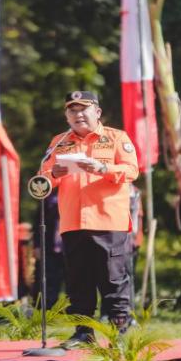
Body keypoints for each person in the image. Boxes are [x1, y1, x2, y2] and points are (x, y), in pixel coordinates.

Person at [40, 90, 139, 348]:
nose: (78, 115)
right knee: (78, 282)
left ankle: (120, 334)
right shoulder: (59, 141)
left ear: (97, 112)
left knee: (113, 280)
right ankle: (83, 333)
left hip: (109, 221)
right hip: (73, 222)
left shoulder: (116, 137)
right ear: (66, 116)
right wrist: (53, 174)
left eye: (83, 109)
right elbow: (42, 180)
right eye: (72, 110)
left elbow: (132, 170)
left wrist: (104, 168)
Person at [32, 189, 65, 308]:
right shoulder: (48, 197)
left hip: (69, 247)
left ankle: (71, 312)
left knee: (73, 283)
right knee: (46, 280)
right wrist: (37, 245)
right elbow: (38, 222)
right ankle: (45, 309)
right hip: (49, 247)